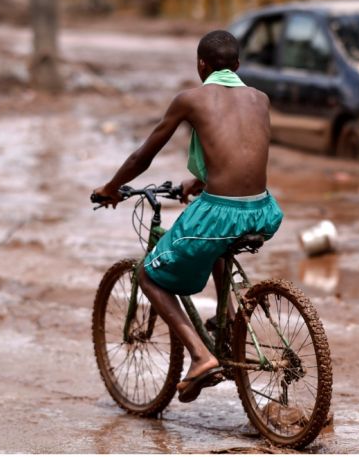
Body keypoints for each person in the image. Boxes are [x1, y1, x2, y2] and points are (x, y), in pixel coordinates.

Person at [92, 30, 283, 403]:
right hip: (263, 208)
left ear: (201, 65)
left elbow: (142, 156)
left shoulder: (190, 99)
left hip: (221, 210)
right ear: (238, 66)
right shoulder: (260, 99)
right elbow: (243, 150)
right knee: (212, 242)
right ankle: (228, 321)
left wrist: (111, 187)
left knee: (148, 274)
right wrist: (199, 180)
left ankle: (200, 357)